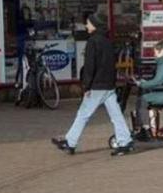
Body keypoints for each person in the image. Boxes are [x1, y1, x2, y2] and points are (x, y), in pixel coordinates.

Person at [52, 13, 134, 156]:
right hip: (108, 84)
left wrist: (86, 86)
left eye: (88, 23)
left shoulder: (92, 41)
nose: (86, 26)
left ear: (94, 25)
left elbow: (90, 66)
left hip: (97, 85)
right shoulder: (107, 41)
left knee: (83, 114)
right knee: (116, 115)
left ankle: (70, 142)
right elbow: (111, 64)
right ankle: (125, 140)